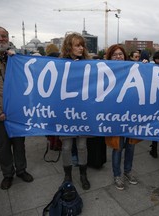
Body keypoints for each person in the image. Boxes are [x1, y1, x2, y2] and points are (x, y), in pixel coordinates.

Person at [0, 26, 33, 190]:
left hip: (17, 113)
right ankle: (7, 174)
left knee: (19, 144)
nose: (1, 39)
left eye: (4, 36)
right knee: (4, 146)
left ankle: (21, 170)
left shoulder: (15, 58)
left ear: (8, 39)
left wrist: (16, 59)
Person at [104, 44, 141, 190]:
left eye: (121, 54)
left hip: (131, 114)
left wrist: (144, 66)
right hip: (115, 115)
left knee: (130, 146)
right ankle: (117, 174)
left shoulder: (133, 69)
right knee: (118, 147)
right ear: (110, 57)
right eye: (115, 54)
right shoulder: (104, 72)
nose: (118, 57)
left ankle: (127, 171)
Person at [59, 32, 90, 190]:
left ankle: (83, 174)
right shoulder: (60, 64)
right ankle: (68, 175)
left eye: (82, 45)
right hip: (66, 113)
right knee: (66, 146)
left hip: (83, 113)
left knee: (82, 145)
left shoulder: (89, 64)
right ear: (69, 47)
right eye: (77, 45)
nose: (81, 48)